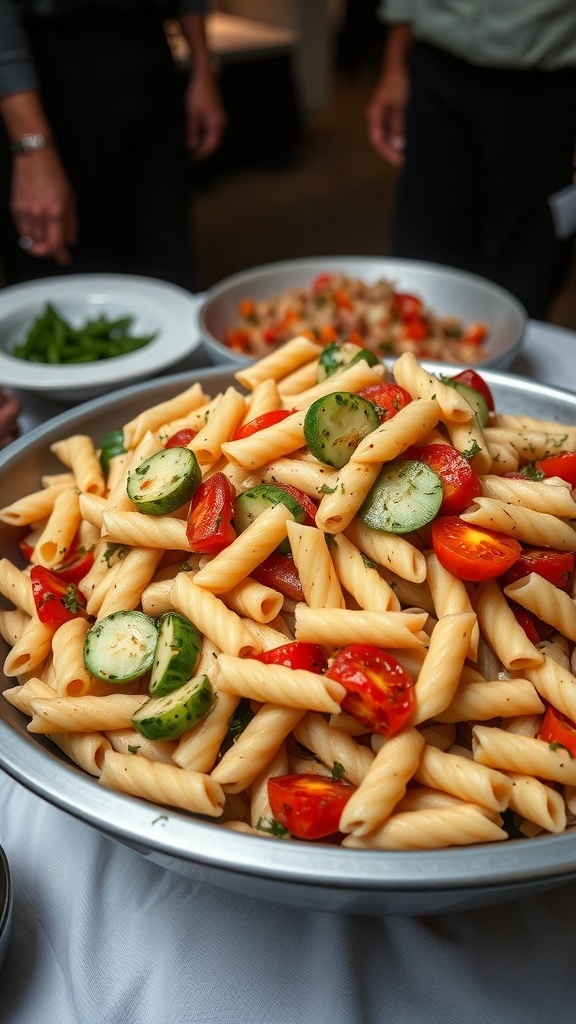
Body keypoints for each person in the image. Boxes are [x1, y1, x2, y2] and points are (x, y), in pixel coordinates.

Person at [367, 1, 576, 320]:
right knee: (419, 277)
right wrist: (394, 62)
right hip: (435, 66)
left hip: (547, 84)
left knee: (521, 289)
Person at [0, 0, 227, 291]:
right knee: (67, 274)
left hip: (149, 48)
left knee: (167, 265)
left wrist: (203, 67)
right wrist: (33, 147)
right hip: (45, 71)